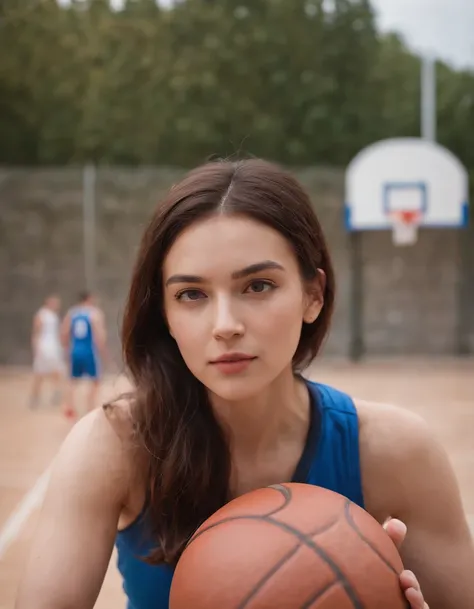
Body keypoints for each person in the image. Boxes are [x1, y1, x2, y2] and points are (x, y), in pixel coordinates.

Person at [16, 160, 473, 609]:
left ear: (313, 294)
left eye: (257, 285)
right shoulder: (115, 446)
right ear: (166, 316)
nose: (225, 325)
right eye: (191, 294)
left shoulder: (394, 450)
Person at [60, 290, 107, 418]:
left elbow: (64, 332)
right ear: (89, 299)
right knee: (96, 380)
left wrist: (66, 348)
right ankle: (89, 408)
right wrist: (103, 351)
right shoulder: (94, 313)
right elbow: (99, 334)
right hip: (89, 351)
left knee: (72, 380)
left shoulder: (72, 313)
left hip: (75, 350)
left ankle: (69, 407)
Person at [29, 294, 64, 409]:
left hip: (54, 346)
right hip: (44, 346)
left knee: (56, 370)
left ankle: (57, 392)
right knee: (39, 373)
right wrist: (36, 346)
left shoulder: (54, 316)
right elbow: (36, 331)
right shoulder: (41, 314)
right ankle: (35, 397)